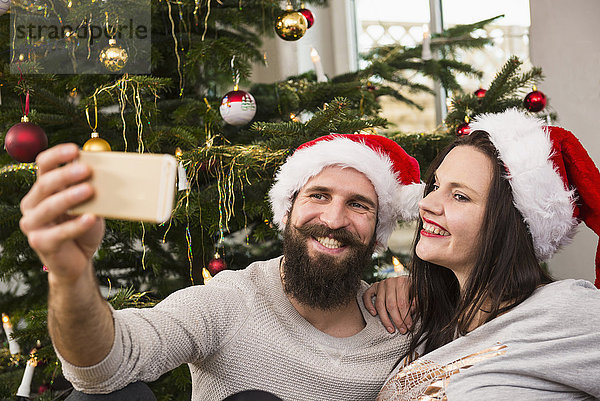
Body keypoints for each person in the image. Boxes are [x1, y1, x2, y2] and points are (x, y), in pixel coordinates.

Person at [19, 133, 423, 401]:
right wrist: (71, 276)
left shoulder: (400, 320)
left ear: (377, 232)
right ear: (288, 212)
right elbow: (102, 369)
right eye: (318, 196)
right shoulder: (232, 299)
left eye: (358, 205)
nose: (334, 220)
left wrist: (421, 283)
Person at [363, 109, 600, 400]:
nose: (427, 204)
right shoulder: (430, 323)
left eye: (460, 196)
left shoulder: (567, 310)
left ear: (509, 226)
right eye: (435, 186)